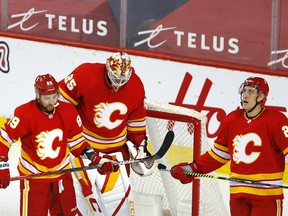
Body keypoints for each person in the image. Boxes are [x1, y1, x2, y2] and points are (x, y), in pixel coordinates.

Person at [0, 74, 119, 216]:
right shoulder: (25, 113)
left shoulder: (68, 111)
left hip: (62, 177)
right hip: (34, 180)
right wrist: (2, 165)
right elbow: (4, 137)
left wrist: (96, 158)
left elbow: (76, 142)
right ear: (38, 96)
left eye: (54, 96)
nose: (51, 102)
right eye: (47, 98)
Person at [170, 76, 288, 216]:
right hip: (238, 195)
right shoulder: (232, 119)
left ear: (261, 96)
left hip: (266, 196)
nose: (245, 94)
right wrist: (194, 168)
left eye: (250, 91)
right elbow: (218, 155)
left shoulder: (277, 120)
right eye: (244, 90)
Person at [58, 51, 154, 215]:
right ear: (107, 67)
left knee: (119, 207)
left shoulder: (136, 85)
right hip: (82, 149)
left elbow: (136, 125)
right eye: (114, 78)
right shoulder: (86, 74)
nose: (117, 85)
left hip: (115, 153)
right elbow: (60, 102)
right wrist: (66, 134)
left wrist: (141, 147)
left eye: (122, 81)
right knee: (76, 203)